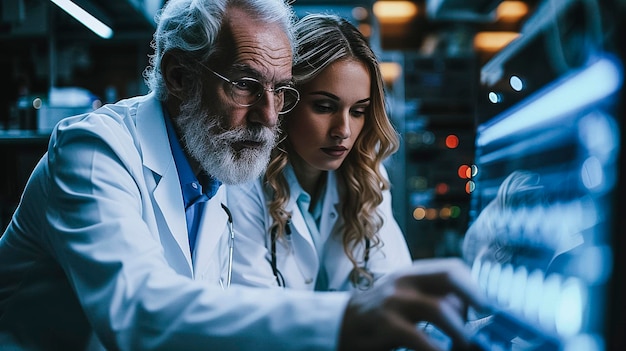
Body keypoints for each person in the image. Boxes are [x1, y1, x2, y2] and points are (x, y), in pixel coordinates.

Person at [0, 0, 487, 350]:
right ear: (179, 77)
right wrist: (350, 317)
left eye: (280, 92)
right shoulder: (94, 151)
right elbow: (139, 314)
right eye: (247, 85)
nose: (270, 117)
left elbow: (210, 321)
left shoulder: (213, 170)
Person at [227, 14, 412, 292]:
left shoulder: (367, 175)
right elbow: (260, 308)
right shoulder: (244, 180)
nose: (344, 130)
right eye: (325, 107)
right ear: (284, 101)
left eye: (358, 111)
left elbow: (395, 289)